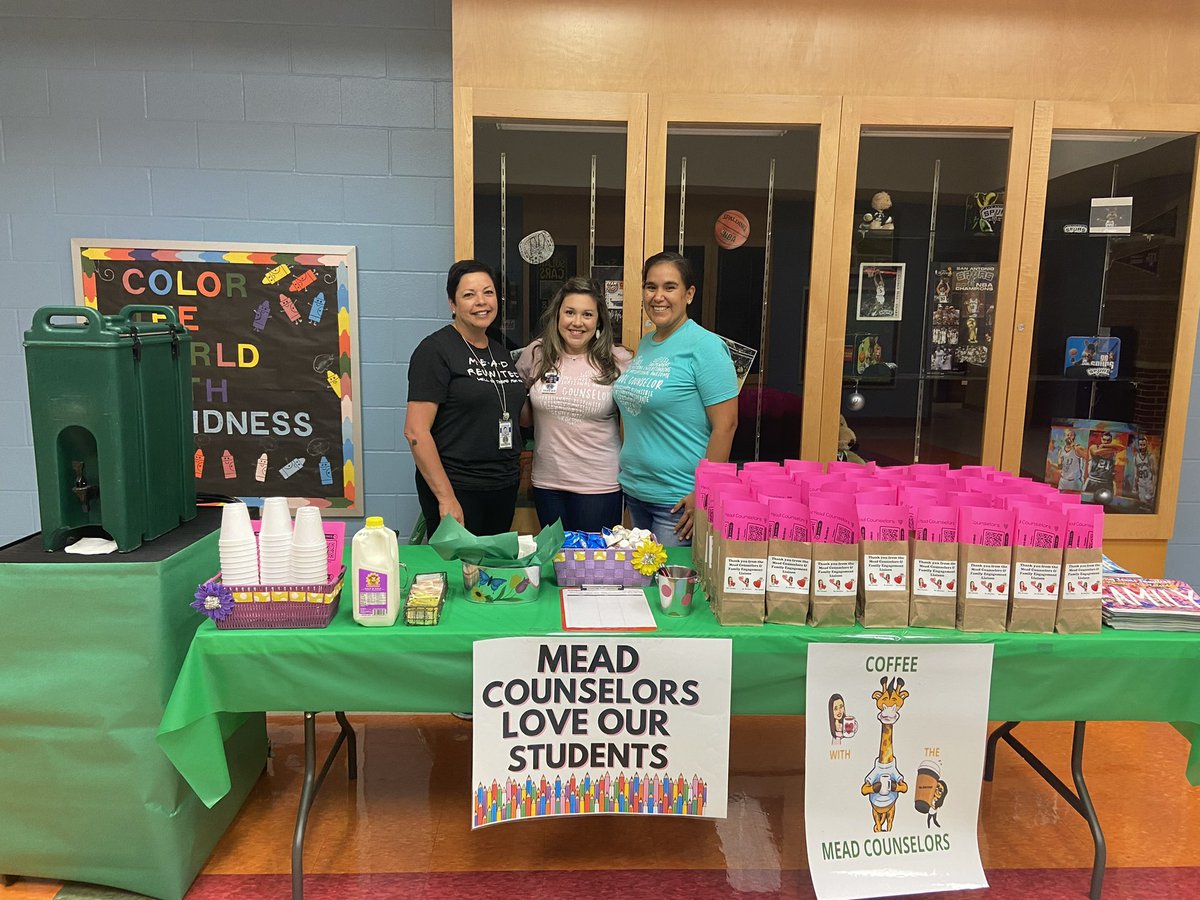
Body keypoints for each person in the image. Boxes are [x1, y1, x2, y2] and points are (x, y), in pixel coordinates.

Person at [613, 251, 738, 546]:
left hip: (678, 501)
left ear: (689, 294)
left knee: (669, 588)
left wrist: (703, 492)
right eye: (651, 287)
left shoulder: (706, 346)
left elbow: (727, 425)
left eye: (670, 287)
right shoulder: (646, 343)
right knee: (644, 588)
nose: (658, 296)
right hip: (636, 491)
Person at [404, 260, 528, 537]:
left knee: (491, 572)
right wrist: (446, 498)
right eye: (469, 295)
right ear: (452, 303)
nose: (481, 302)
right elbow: (415, 431)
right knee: (460, 574)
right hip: (458, 487)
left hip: (502, 486)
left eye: (488, 292)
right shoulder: (435, 351)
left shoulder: (500, 350)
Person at [516, 277, 632, 532]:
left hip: (600, 485)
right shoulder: (536, 354)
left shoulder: (618, 361)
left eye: (587, 314)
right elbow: (521, 413)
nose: (577, 322)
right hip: (548, 484)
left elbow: (636, 422)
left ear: (599, 320)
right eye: (570, 312)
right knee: (558, 563)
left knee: (595, 566)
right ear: (557, 316)